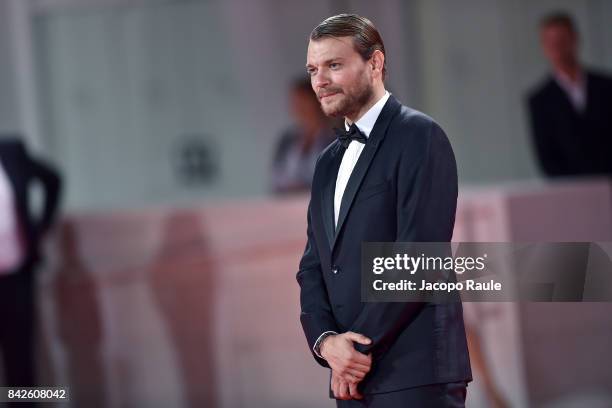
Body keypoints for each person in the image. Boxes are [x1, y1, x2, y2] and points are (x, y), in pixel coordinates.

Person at [297, 14, 472, 407]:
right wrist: (326, 343)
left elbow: (418, 257)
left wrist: (353, 350)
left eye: (334, 65)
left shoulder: (419, 136)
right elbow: (313, 267)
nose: (319, 81)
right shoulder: (327, 162)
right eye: (313, 69)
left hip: (415, 373)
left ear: (375, 63)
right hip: (352, 379)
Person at [0, 135, 62, 389]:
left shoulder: (11, 152)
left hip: (16, 273)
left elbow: (53, 179)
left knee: (20, 356)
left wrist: (42, 226)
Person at [526, 12, 612, 178]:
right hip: (570, 190)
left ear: (574, 39)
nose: (557, 47)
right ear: (544, 46)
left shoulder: (606, 87)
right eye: (551, 43)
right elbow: (547, 156)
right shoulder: (540, 100)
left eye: (562, 41)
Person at [271, 77, 335, 194]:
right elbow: (276, 175)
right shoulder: (287, 139)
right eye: (295, 102)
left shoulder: (335, 139)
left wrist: (304, 186)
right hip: (288, 205)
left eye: (304, 101)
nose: (298, 107)